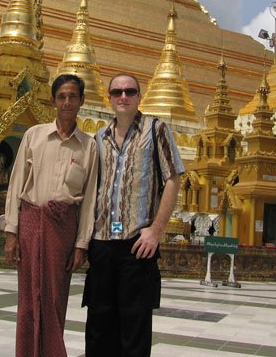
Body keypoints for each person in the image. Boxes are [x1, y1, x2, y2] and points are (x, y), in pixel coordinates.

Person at [82, 73, 185, 357]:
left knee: (134, 332)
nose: (123, 97)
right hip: (102, 243)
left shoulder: (156, 129)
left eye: (130, 91)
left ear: (140, 96)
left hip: (137, 245)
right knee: (98, 329)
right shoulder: (99, 137)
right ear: (109, 98)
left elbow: (174, 178)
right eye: (117, 92)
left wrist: (156, 230)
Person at [4, 73, 98, 357]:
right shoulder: (34, 136)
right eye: (61, 97)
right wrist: (11, 232)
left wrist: (81, 244)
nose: (67, 102)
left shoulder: (89, 146)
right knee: (29, 298)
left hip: (63, 227)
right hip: (31, 222)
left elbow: (89, 199)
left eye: (72, 97)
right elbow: (16, 185)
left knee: (55, 298)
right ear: (53, 101)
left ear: (82, 101)